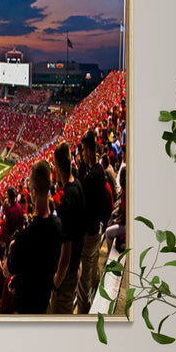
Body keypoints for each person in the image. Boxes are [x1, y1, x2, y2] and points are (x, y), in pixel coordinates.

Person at [5, 160, 63, 314]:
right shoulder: (58, 225)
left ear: (34, 191)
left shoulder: (25, 238)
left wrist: (11, 249)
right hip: (45, 301)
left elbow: (7, 270)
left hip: (27, 309)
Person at [77, 130, 112, 313]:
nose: (82, 154)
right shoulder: (97, 172)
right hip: (96, 230)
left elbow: (87, 207)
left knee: (84, 280)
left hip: (90, 233)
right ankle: (97, 293)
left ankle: (83, 313)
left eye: (83, 150)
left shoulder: (93, 176)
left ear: (89, 150)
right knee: (93, 269)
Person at [50, 142, 86, 314]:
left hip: (67, 274)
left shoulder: (65, 201)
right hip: (76, 263)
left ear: (57, 166)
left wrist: (56, 282)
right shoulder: (78, 185)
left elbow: (66, 249)